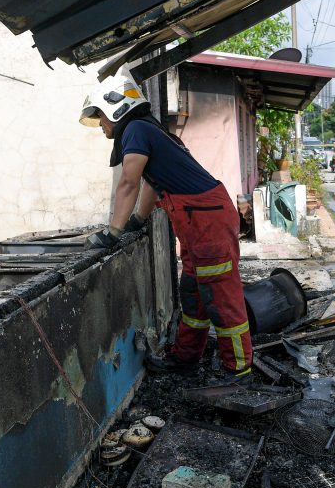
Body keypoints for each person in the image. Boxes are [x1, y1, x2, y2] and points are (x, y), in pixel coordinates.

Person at [80, 76, 253, 383]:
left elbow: (129, 182)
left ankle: (238, 370)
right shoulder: (148, 129)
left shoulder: (134, 129)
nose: (103, 127)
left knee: (220, 295)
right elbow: (152, 181)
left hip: (205, 220)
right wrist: (137, 220)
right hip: (198, 219)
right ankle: (185, 358)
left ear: (117, 109)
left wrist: (113, 232)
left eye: (102, 118)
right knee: (194, 294)